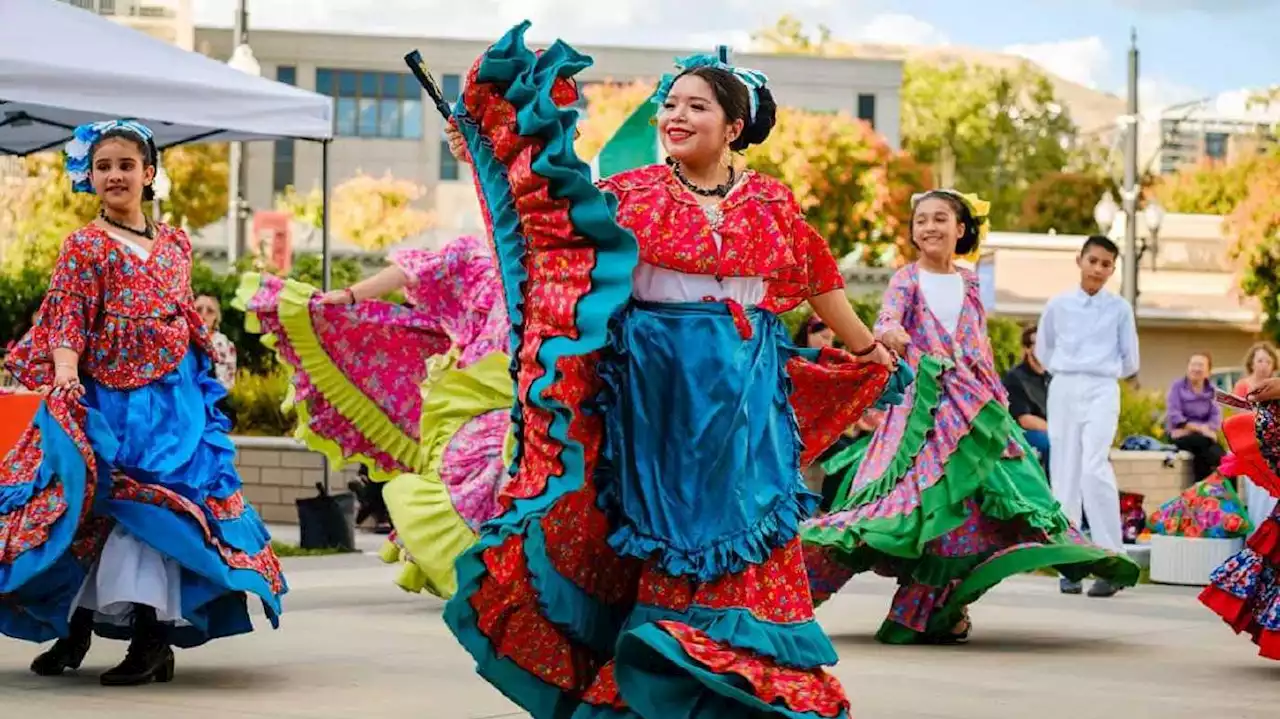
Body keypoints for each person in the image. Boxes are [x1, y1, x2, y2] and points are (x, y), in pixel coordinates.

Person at [439, 26, 902, 718]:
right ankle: (663, 681)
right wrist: (482, 154)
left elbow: (815, 277)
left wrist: (867, 348)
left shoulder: (772, 202)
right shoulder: (629, 194)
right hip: (658, 397)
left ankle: (748, 684)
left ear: (735, 125)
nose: (676, 117)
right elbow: (543, 231)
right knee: (673, 536)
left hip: (747, 393)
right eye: (671, 105)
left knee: (753, 529)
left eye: (696, 107)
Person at [0, 120, 285, 685]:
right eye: (103, 166)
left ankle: (153, 640)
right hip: (110, 400)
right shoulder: (84, 246)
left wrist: (205, 380)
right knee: (92, 511)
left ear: (149, 174)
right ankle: (73, 631)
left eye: (126, 165)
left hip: (174, 404)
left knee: (161, 515)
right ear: (91, 176)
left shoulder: (176, 243)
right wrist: (63, 374)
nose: (115, 175)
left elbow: (182, 316)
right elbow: (68, 317)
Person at [801, 190, 1138, 645]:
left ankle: (929, 612)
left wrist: (997, 405)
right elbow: (886, 320)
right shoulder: (906, 278)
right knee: (894, 511)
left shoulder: (971, 281)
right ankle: (794, 601)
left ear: (961, 229)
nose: (929, 227)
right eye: (921, 220)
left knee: (974, 514)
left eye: (941, 219)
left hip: (975, 408)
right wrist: (890, 333)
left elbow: (979, 344)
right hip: (923, 415)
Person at [236, 233, 511, 598]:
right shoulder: (475, 256)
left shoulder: (565, 265)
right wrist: (351, 296)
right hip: (476, 390)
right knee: (470, 473)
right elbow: (409, 271)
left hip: (533, 386)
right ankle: (477, 569)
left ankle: (505, 571)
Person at [1035, 235, 1139, 597]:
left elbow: (1131, 361)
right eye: (1092, 260)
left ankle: (1112, 559)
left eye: (1106, 264)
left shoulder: (1120, 309)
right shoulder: (1058, 305)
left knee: (1095, 466)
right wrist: (1070, 373)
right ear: (1079, 260)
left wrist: (1097, 370)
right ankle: (1071, 562)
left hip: (1102, 387)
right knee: (1064, 470)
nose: (1098, 269)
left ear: (1112, 269)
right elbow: (1044, 350)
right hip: (1063, 385)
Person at [1233, 342, 1280, 529]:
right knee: (1257, 494)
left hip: (1274, 445)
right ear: (1252, 363)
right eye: (1260, 360)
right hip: (1251, 445)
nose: (1263, 365)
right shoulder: (1243, 386)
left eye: (1268, 361)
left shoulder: (1276, 387)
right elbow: (1238, 417)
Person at [1166, 352, 1226, 483]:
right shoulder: (1177, 387)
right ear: (1188, 367)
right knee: (1205, 446)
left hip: (1203, 437)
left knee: (1224, 459)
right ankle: (1202, 493)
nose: (1196, 369)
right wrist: (1199, 429)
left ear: (1208, 371)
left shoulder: (1213, 391)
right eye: (1193, 364)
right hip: (1181, 436)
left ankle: (1228, 497)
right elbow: (1175, 415)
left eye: (1201, 365)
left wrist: (1203, 430)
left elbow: (1215, 419)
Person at [1003, 323, 1051, 471]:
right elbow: (1024, 419)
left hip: (1051, 430)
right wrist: (1057, 431)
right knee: (1053, 444)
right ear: (1027, 349)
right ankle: (1052, 491)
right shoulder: (1015, 378)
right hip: (1025, 434)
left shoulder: (1052, 377)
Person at [193, 294, 236, 391]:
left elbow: (226, 383)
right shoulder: (181, 342)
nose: (203, 314)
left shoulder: (223, 343)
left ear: (216, 317)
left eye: (210, 311)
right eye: (198, 310)